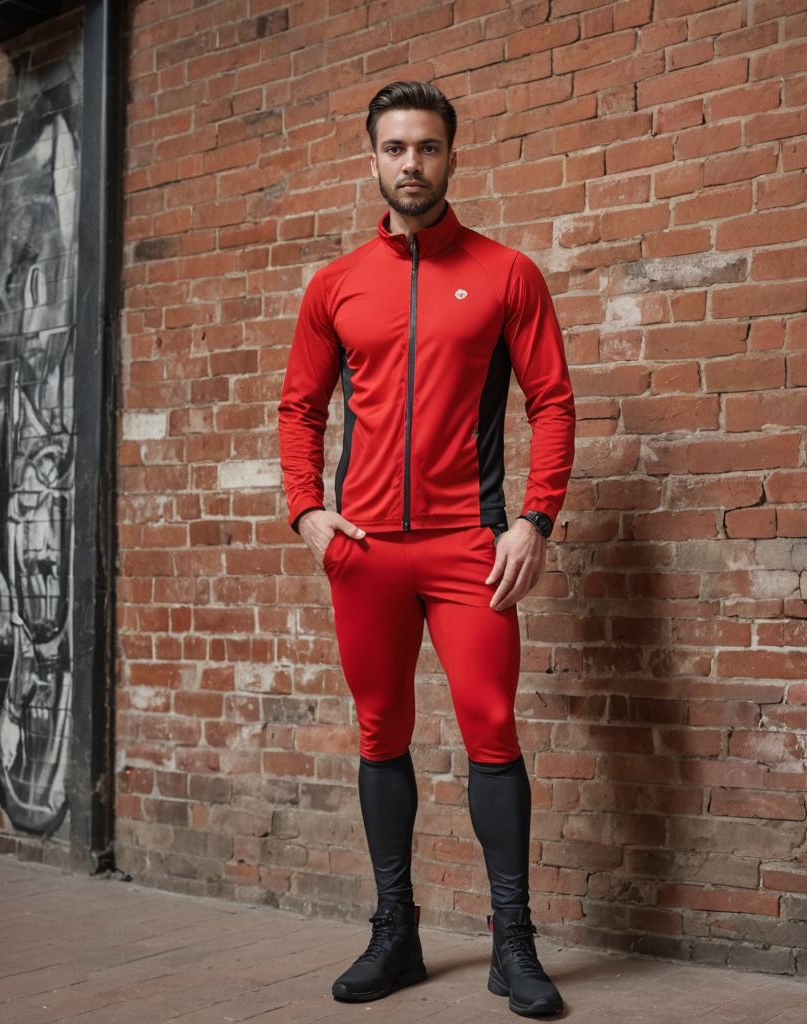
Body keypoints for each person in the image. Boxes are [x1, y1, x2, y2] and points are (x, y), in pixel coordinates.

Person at [277, 80, 575, 1018]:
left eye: (430, 147)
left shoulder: (506, 272)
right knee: (381, 734)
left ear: (452, 156)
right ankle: (395, 933)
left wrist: (533, 518)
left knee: (491, 730)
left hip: (466, 549)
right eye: (397, 147)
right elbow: (299, 407)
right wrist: (305, 512)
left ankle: (513, 946)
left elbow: (553, 401)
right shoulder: (336, 284)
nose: (413, 162)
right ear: (374, 157)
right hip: (364, 553)